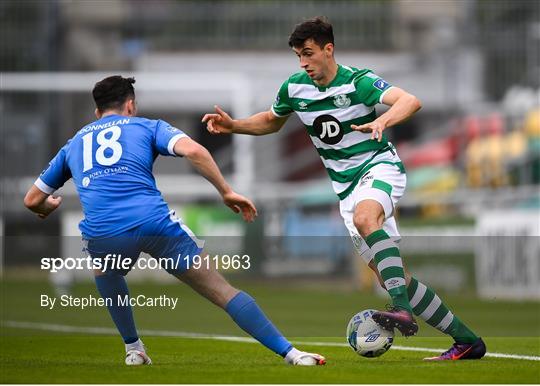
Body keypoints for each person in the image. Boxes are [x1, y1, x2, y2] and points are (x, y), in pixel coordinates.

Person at [202, 17, 486, 361]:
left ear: (328, 49)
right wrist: (234, 126)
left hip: (380, 168)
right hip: (346, 191)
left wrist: (383, 119)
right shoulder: (294, 89)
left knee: (369, 220)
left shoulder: (359, 81)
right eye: (298, 56)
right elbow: (271, 121)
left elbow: (409, 101)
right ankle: (467, 341)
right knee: (394, 278)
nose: (303, 63)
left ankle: (401, 312)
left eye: (308, 53)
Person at [24, 75, 326, 366]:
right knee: (221, 290)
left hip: (105, 231)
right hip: (154, 223)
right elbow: (195, 150)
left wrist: (47, 207)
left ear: (96, 111)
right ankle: (292, 354)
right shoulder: (147, 126)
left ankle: (133, 349)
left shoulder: (74, 143)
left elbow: (32, 200)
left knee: (104, 269)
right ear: (130, 105)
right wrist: (226, 191)